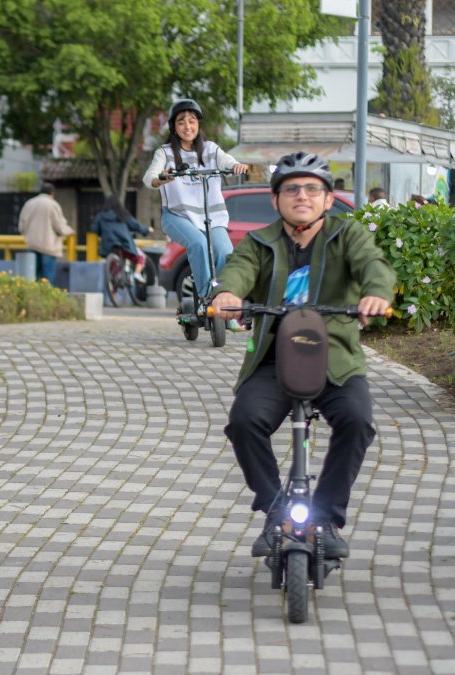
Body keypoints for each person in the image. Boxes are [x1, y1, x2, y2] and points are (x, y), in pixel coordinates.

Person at [210, 151, 395, 560]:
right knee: (244, 421)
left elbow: (373, 265)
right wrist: (227, 292)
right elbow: (237, 270)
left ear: (329, 200)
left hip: (336, 359)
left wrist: (376, 292)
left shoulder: (349, 237)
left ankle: (326, 517)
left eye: (313, 189)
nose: (302, 196)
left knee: (358, 421)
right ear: (275, 200)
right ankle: (276, 508)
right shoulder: (260, 242)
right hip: (275, 360)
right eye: (291, 188)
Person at [143, 99, 249, 308]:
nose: (187, 126)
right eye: (181, 122)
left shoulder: (210, 149)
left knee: (225, 253)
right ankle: (205, 298)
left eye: (192, 121)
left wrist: (236, 166)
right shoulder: (164, 153)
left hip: (212, 217)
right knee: (198, 244)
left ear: (199, 124)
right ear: (174, 126)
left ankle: (225, 300)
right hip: (177, 216)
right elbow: (149, 177)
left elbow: (227, 161)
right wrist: (161, 178)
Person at [18, 181, 75, 286]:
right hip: (49, 247)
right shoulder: (53, 205)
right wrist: (70, 231)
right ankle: (46, 298)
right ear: (52, 193)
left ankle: (32, 298)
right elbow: (59, 227)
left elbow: (21, 227)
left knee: (31, 277)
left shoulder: (29, 203)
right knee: (47, 278)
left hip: (32, 245)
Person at [89, 194, 149, 283]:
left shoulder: (100, 216)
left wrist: (102, 232)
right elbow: (135, 226)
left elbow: (94, 229)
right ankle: (137, 274)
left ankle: (113, 292)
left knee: (113, 274)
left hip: (109, 247)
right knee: (141, 257)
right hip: (125, 245)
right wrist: (146, 230)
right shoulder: (122, 214)